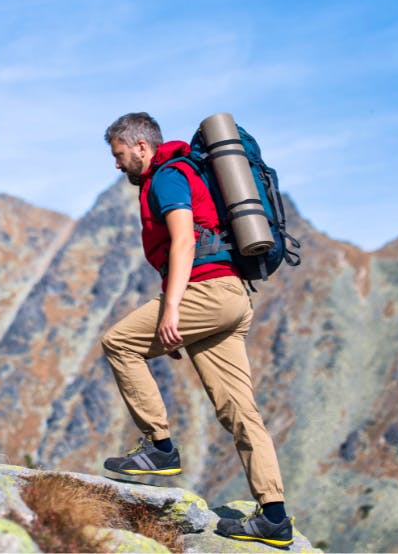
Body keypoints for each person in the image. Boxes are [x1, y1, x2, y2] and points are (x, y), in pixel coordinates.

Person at [101, 112, 294, 547]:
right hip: (230, 297)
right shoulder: (179, 172)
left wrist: (172, 312)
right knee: (240, 411)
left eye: (119, 155)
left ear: (141, 147)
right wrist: (180, 324)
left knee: (118, 343)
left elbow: (185, 241)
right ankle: (274, 517)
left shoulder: (168, 177)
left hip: (205, 292)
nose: (116, 165)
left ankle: (160, 448)